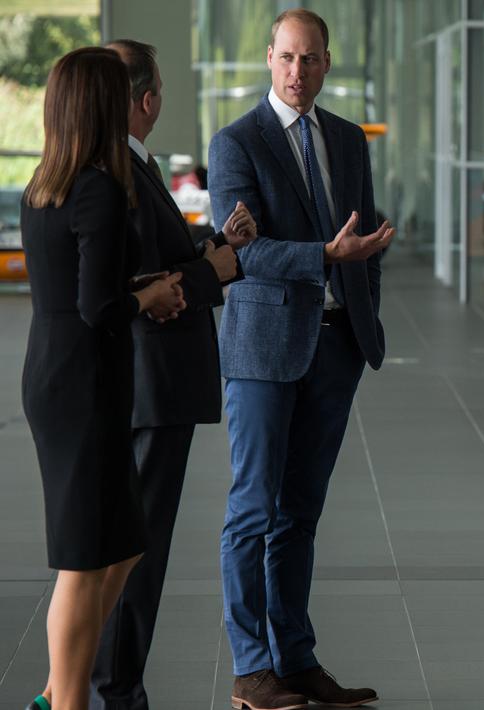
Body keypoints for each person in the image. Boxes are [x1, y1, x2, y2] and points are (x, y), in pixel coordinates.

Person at [206, 8, 393, 710]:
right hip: (262, 350)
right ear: (268, 58)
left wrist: (360, 283)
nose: (298, 71)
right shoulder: (236, 143)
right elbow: (240, 253)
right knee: (253, 509)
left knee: (300, 514)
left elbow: (364, 231)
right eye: (287, 58)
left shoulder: (346, 139)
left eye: (311, 59)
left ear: (326, 63)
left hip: (335, 345)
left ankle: (295, 657)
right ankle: (252, 667)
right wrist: (324, 257)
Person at [89, 39, 256, 710]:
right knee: (135, 556)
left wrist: (215, 247)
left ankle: (113, 687)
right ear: (148, 99)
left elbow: (152, 258)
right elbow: (132, 285)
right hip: (149, 384)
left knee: (130, 552)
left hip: (153, 384)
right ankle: (115, 692)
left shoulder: (131, 164)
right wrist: (208, 271)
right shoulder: (113, 173)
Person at [20, 46, 186, 710]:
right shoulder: (97, 187)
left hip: (66, 375)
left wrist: (141, 287)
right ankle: (66, 703)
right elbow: (102, 308)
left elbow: (86, 287)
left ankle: (56, 692)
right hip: (81, 384)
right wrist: (155, 295)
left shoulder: (47, 182)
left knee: (119, 545)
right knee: (86, 560)